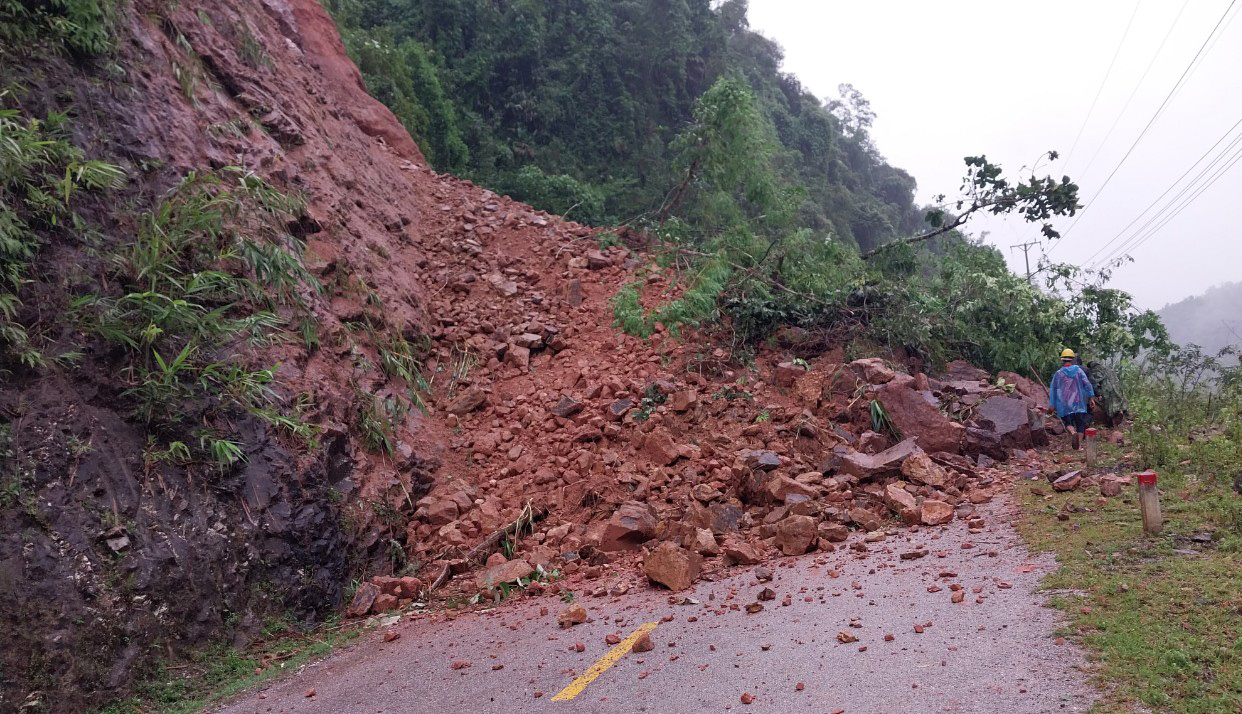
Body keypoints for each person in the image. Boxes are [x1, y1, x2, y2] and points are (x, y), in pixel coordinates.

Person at [1049, 348, 1095, 449]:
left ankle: (1072, 432)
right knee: (1080, 423)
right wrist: (1091, 397)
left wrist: (1052, 404)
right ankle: (1078, 446)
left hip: (1065, 403)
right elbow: (1087, 384)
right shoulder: (1079, 371)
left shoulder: (1058, 373)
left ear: (1062, 360)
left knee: (1068, 422)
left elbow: (1053, 389)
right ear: (1072, 359)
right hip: (1078, 402)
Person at [1087, 360, 1129, 427]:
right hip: (1116, 387)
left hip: (1107, 388)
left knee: (1108, 404)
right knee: (1117, 402)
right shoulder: (1106, 368)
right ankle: (1121, 411)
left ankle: (1112, 417)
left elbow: (1095, 381)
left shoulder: (1096, 370)